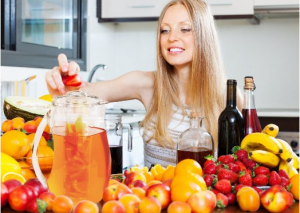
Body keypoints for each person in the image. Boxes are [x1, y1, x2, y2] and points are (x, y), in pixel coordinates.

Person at [45, 0, 243, 167]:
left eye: (185, 29)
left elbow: (248, 163)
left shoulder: (229, 96)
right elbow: (87, 93)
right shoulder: (147, 84)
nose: (172, 38)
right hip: (152, 200)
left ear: (204, 36)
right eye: (165, 31)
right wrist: (67, 86)